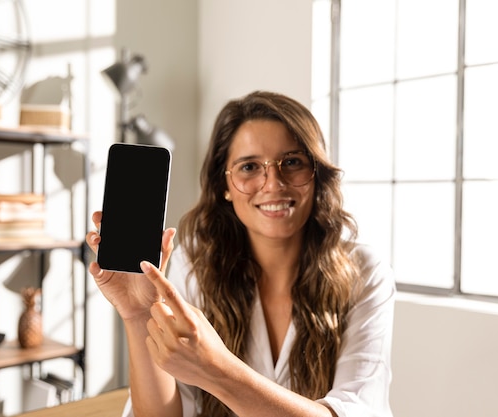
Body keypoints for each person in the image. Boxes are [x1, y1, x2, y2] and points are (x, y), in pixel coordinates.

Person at [86, 90, 395, 417]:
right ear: (225, 185)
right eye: (250, 167)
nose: (273, 183)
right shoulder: (193, 269)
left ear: (316, 173)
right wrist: (139, 316)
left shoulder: (365, 272)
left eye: (292, 162)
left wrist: (216, 368)